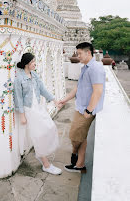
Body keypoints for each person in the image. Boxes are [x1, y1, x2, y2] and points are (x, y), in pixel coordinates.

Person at [57, 42, 105, 173]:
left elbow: (98, 91)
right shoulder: (86, 67)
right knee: (81, 136)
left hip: (86, 110)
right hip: (81, 107)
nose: (78, 56)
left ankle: (75, 155)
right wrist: (64, 100)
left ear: (88, 52)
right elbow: (78, 88)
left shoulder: (95, 68)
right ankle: (79, 164)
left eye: (79, 54)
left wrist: (89, 110)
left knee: (74, 136)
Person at [14, 52, 62, 175]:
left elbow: (42, 89)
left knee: (50, 127)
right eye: (33, 62)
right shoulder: (19, 79)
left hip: (38, 107)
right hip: (29, 110)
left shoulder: (34, 75)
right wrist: (22, 115)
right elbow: (18, 98)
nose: (35, 64)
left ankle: (41, 154)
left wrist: (54, 100)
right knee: (38, 135)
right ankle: (46, 164)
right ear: (27, 64)